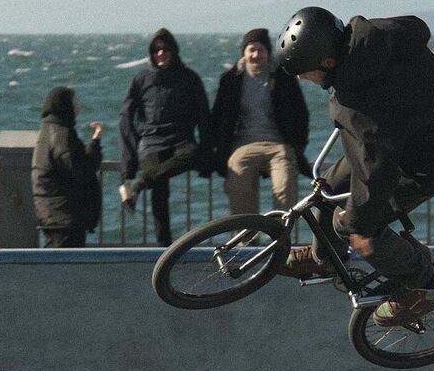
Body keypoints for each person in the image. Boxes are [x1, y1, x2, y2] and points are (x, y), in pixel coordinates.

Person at [273, 7, 434, 327]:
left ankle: (428, 285)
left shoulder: (362, 103)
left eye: (304, 72)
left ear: (328, 62)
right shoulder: (379, 36)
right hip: (421, 132)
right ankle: (325, 259)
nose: (302, 79)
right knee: (328, 188)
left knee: (357, 228)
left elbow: (377, 170)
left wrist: (360, 222)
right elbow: (417, 27)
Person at [118, 28, 211, 246]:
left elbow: (204, 115)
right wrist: (128, 160)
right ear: (151, 53)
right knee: (159, 192)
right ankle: (164, 248)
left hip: (180, 140)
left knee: (193, 153)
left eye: (165, 49)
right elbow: (125, 117)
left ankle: (138, 185)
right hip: (151, 142)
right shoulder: (141, 79)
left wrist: (208, 153)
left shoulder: (189, 78)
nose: (161, 54)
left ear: (174, 51)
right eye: (156, 50)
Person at [208, 27, 310, 216]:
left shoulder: (283, 77)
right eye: (251, 50)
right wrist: (218, 150)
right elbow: (218, 116)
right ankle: (247, 239)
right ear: (244, 53)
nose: (256, 55)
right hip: (243, 144)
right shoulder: (231, 79)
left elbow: (301, 112)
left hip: (278, 144)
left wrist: (298, 146)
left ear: (268, 52)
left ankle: (280, 238)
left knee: (285, 187)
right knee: (238, 185)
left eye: (260, 50)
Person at [31, 86, 104, 248]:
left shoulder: (47, 130)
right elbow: (82, 170)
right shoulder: (62, 134)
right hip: (64, 215)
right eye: (74, 102)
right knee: (65, 267)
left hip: (51, 213)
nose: (78, 106)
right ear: (64, 105)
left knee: (57, 265)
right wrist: (95, 144)